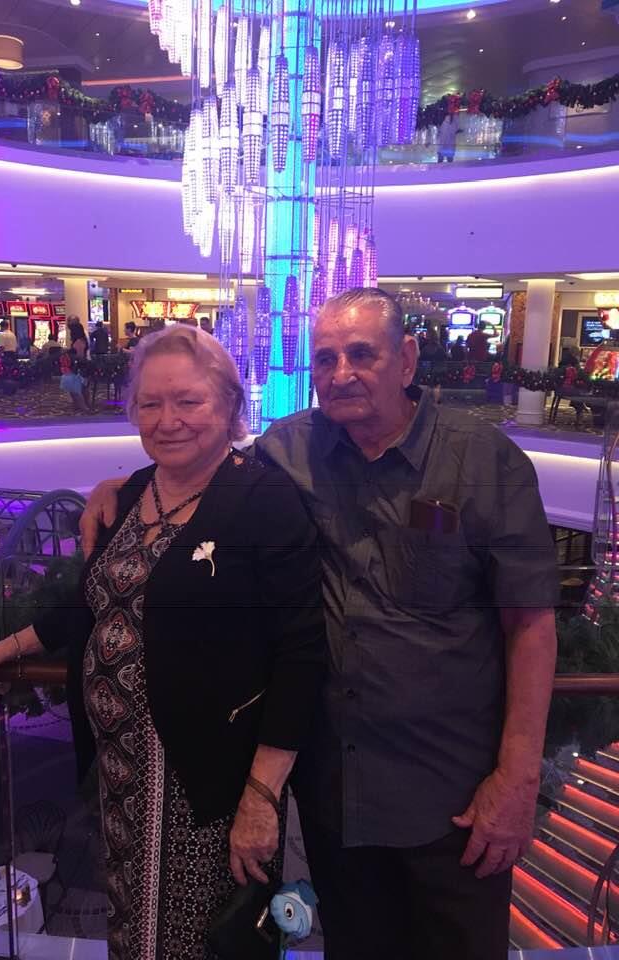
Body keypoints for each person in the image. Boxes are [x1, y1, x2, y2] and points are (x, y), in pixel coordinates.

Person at [81, 288, 558, 960]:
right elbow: (204, 458)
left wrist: (517, 778)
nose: (340, 373)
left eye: (361, 354)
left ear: (407, 359)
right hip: (336, 795)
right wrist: (121, 488)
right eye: (326, 357)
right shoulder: (291, 449)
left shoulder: (481, 463)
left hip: (453, 797)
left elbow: (530, 625)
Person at [0, 325, 326, 960]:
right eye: (150, 403)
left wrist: (261, 796)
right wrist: (2, 651)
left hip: (210, 785)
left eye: (188, 401)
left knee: (203, 939)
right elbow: (90, 605)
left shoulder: (265, 502)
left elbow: (301, 653)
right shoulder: (131, 493)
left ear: (229, 406)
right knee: (133, 929)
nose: (168, 420)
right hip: (122, 776)